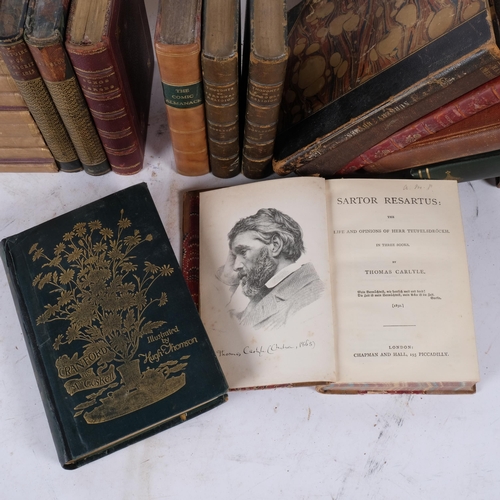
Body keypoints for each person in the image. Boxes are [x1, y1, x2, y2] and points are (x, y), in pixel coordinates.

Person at [217, 208, 324, 329]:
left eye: (243, 252)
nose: (236, 266)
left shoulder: (313, 297)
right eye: (235, 256)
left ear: (275, 245)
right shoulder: (266, 292)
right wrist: (227, 280)